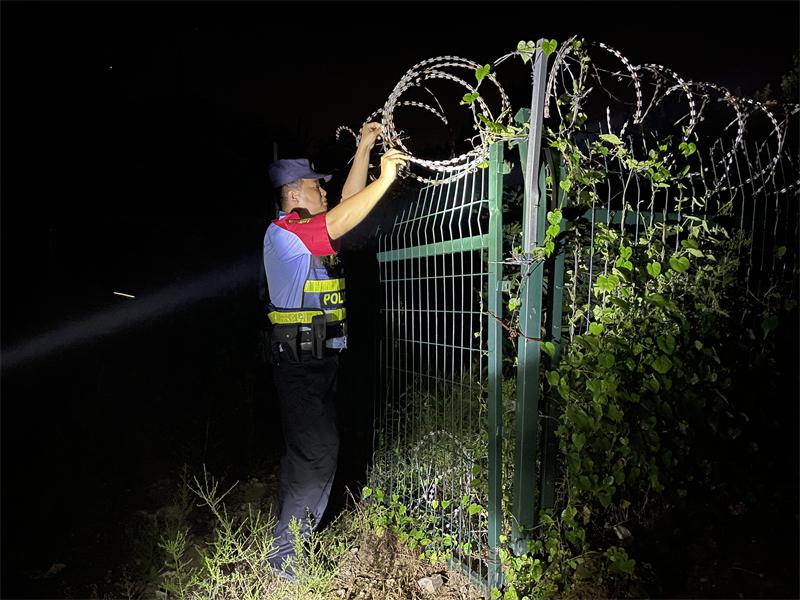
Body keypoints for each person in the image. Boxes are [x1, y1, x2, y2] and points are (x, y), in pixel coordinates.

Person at [263, 123, 407, 578]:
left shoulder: (306, 229)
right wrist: (385, 181)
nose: (322, 192)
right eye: (314, 186)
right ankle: (286, 566)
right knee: (318, 453)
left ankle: (287, 553)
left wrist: (364, 148)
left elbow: (346, 208)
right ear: (293, 194)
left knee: (312, 453)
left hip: (317, 363)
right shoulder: (288, 232)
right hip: (301, 366)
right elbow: (340, 217)